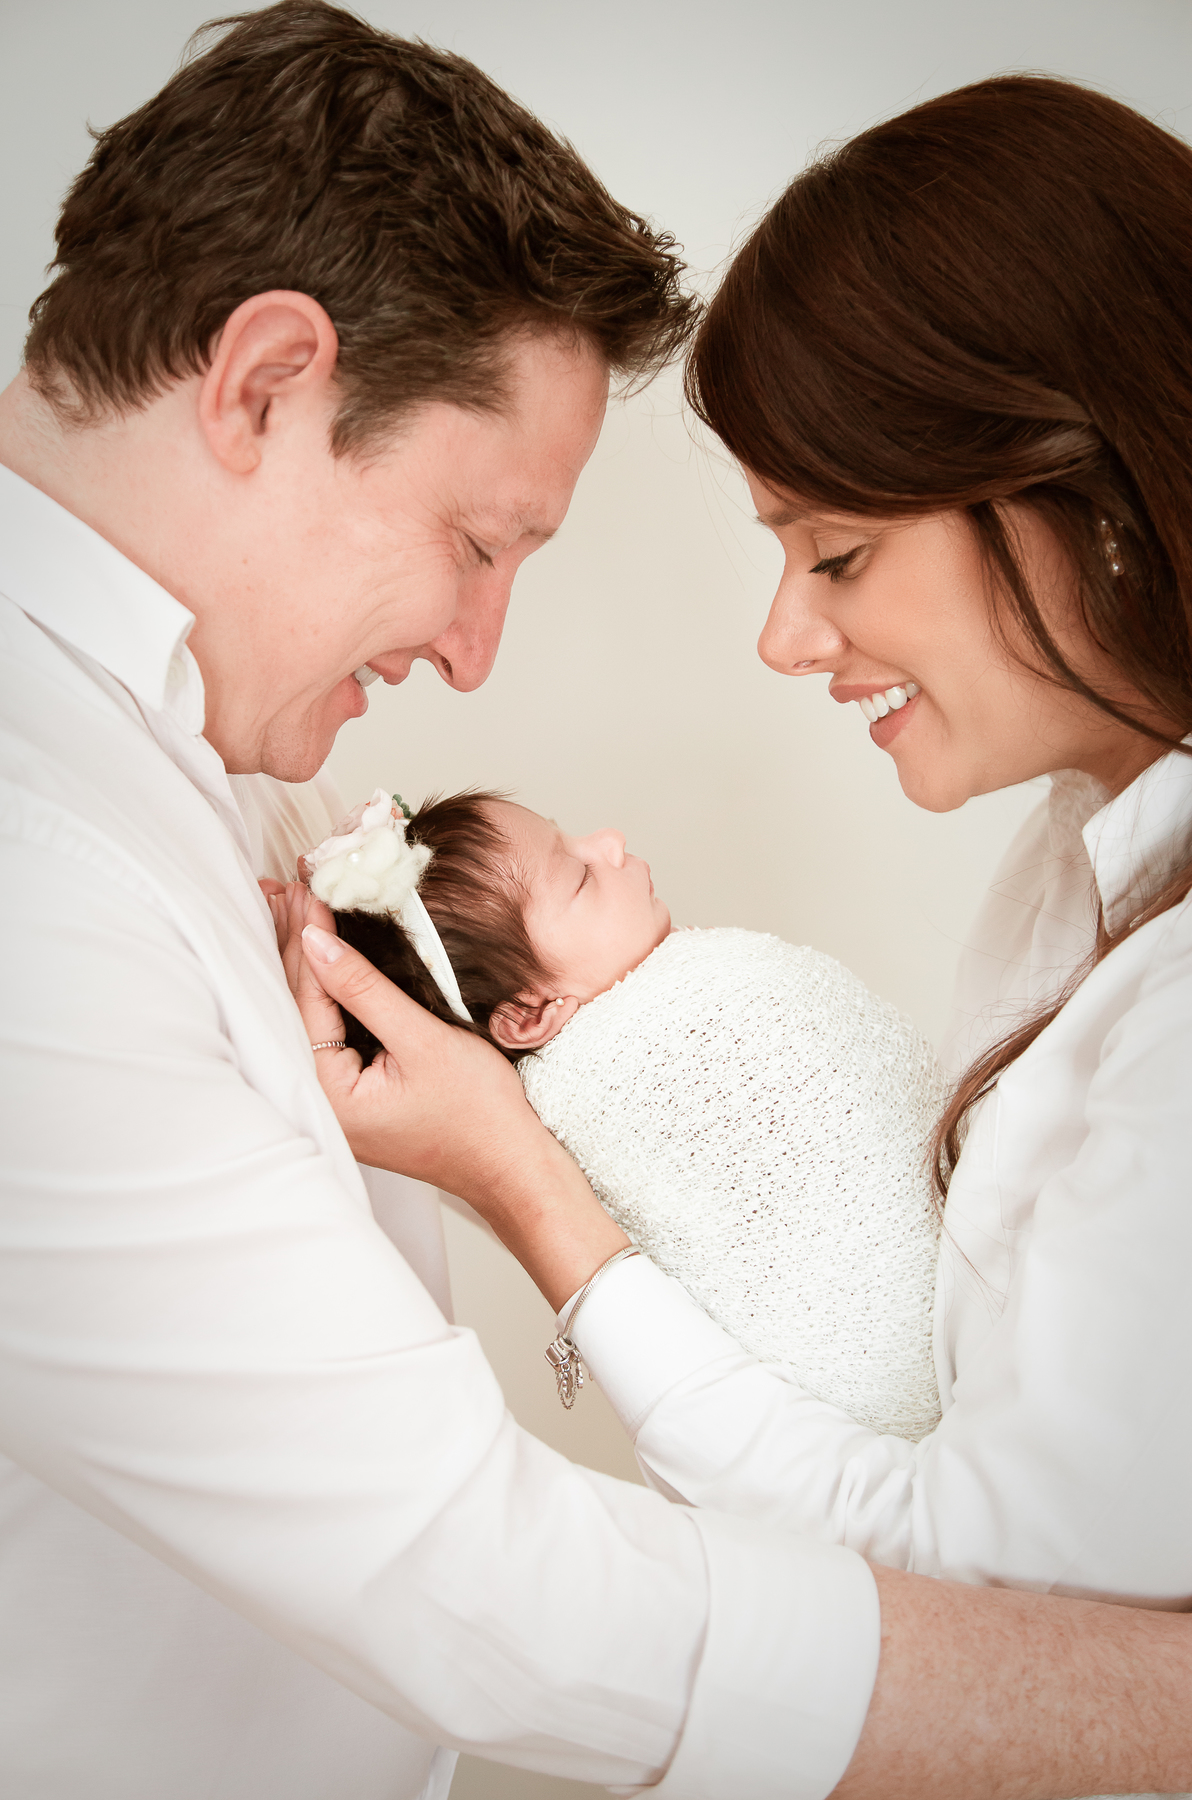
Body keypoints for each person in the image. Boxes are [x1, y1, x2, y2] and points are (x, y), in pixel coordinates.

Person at [285, 71, 1192, 1800]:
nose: (785, 637)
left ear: (1086, 500)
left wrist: (529, 1194)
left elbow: (1003, 1636)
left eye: (835, 554)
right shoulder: (1078, 862)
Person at [295, 783, 944, 1438]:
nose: (609, 843)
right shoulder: (644, 1054)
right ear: (529, 1015)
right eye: (579, 876)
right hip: (881, 1377)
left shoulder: (615, 1044)